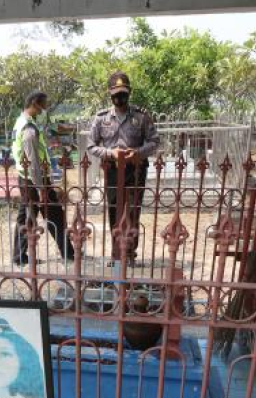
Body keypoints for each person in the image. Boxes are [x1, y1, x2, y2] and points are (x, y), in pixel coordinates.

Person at [86, 71, 159, 265]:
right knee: (114, 211)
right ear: (110, 94)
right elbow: (91, 145)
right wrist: (110, 153)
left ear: (129, 92)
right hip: (112, 170)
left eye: (123, 93)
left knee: (133, 212)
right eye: (116, 94)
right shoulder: (101, 118)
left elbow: (154, 141)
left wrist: (138, 153)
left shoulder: (141, 117)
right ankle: (117, 254)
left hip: (135, 171)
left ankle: (130, 254)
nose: (120, 97)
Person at [11, 91, 75, 265]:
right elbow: (32, 161)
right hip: (35, 180)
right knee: (54, 215)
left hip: (27, 178)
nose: (44, 109)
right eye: (43, 105)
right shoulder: (28, 129)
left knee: (27, 217)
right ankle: (69, 254)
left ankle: (19, 256)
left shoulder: (21, 122)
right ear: (34, 103)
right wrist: (40, 188)